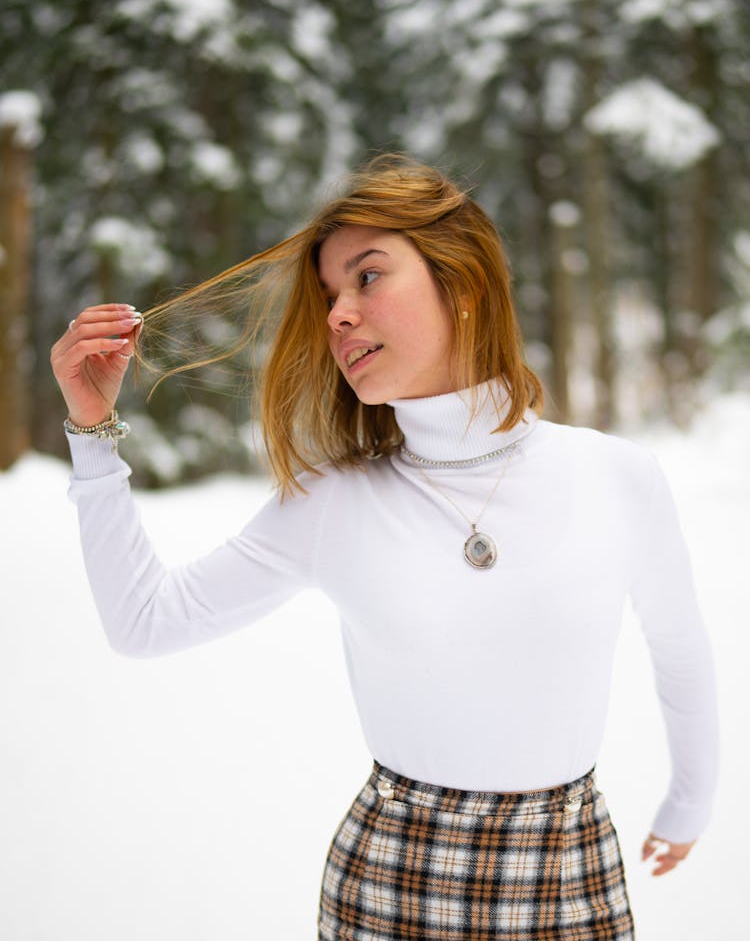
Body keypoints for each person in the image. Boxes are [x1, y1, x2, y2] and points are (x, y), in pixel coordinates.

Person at [51, 155, 718, 940]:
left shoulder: (616, 475)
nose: (337, 315)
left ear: (463, 283)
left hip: (570, 878)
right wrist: (93, 435)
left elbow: (680, 648)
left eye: (367, 278)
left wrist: (689, 799)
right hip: (392, 884)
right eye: (330, 295)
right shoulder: (334, 501)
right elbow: (145, 623)